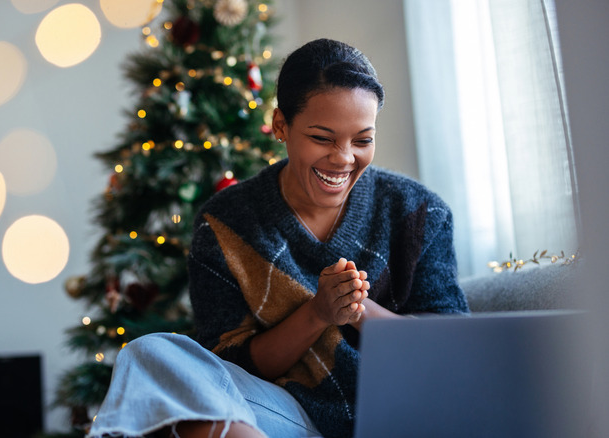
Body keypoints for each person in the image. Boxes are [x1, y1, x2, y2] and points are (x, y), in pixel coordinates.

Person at [88, 38, 469, 438]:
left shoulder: (419, 212)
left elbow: (448, 351)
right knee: (149, 355)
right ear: (280, 126)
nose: (343, 158)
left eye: (362, 140)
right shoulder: (225, 223)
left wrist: (356, 310)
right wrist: (318, 313)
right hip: (283, 418)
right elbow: (231, 368)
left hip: (394, 411)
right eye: (322, 138)